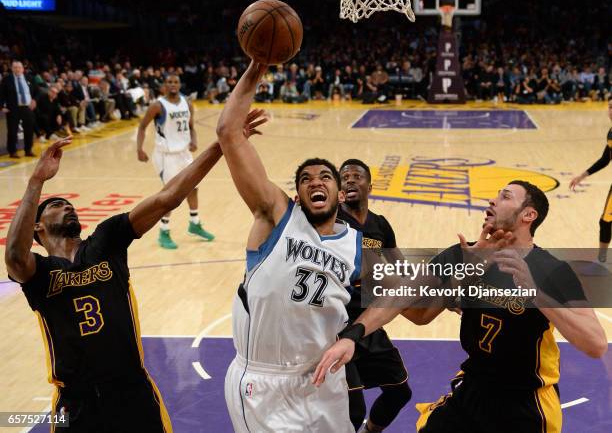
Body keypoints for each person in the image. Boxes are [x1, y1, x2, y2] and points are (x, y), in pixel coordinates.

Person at [4, 111, 264, 432]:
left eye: (68, 203)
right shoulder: (39, 272)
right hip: (75, 404)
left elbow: (167, 197)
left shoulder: (106, 239)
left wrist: (219, 145)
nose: (67, 205)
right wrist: (36, 181)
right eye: (56, 205)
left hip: (132, 393)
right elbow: (15, 255)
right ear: (38, 227)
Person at [314, 181, 607, 433]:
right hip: (472, 390)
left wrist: (535, 293)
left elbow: (595, 344)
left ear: (528, 215)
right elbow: (414, 308)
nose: (493, 200)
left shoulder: (550, 270)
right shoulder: (465, 254)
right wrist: (354, 333)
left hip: (525, 403)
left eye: (505, 196)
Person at [217, 61, 362, 433]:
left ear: (339, 193)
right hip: (264, 385)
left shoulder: (356, 243)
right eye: (306, 179)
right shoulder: (276, 217)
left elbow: (401, 298)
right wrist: (257, 66)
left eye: (325, 177)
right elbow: (228, 132)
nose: (317, 181)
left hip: (324, 379)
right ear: (297, 195)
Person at [337, 159, 412, 432]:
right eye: (344, 177)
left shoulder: (380, 224)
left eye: (357, 176)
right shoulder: (330, 220)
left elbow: (401, 268)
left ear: (370, 185)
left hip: (369, 320)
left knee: (400, 393)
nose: (350, 180)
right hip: (337, 325)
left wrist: (438, 297)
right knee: (353, 409)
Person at [137, 73, 216, 248]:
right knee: (170, 196)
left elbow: (191, 127)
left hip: (184, 153)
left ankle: (194, 223)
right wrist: (139, 149)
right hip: (166, 156)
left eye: (175, 82)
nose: (173, 84)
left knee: (193, 188)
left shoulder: (187, 103)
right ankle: (163, 232)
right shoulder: (157, 106)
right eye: (169, 82)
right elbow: (142, 126)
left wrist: (194, 140)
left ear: (180, 84)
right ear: (164, 85)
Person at [570, 98, 612, 262]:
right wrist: (583, 175)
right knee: (605, 221)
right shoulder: (610, 132)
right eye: (609, 107)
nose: (611, 110)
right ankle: (602, 258)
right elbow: (605, 159)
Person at [0, 60, 38, 158]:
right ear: (12, 69)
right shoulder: (7, 79)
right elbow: (1, 94)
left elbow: (37, 91)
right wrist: (1, 107)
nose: (17, 69)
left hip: (27, 107)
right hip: (13, 108)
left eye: (19, 67)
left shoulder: (29, 78)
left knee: (29, 129)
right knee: (12, 130)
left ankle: (28, 150)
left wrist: (34, 100)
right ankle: (12, 151)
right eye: (15, 67)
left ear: (23, 69)